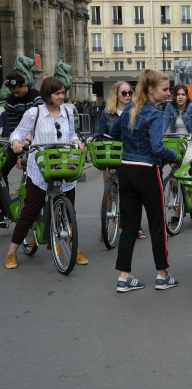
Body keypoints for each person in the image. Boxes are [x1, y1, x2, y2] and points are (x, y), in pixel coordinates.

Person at [5, 77, 88, 269]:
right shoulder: (34, 113)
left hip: (64, 165)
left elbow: (72, 135)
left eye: (63, 93)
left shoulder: (67, 113)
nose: (62, 96)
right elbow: (17, 133)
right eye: (57, 93)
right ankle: (11, 252)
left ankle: (72, 248)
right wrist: (16, 143)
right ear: (47, 94)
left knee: (68, 212)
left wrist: (77, 143)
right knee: (30, 211)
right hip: (40, 167)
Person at [109, 69, 179, 292]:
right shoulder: (155, 114)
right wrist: (175, 155)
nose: (168, 93)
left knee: (129, 226)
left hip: (126, 170)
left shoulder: (130, 108)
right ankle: (162, 274)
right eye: (165, 89)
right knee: (157, 224)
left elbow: (114, 132)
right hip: (147, 170)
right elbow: (157, 148)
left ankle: (124, 277)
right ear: (151, 89)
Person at [86, 81, 147, 240]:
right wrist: (90, 138)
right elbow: (100, 132)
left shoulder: (136, 111)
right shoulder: (107, 113)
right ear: (116, 95)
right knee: (109, 192)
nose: (128, 96)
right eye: (124, 93)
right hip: (111, 155)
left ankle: (136, 228)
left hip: (130, 156)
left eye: (130, 92)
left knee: (133, 195)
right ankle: (105, 229)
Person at [1, 71, 44, 222]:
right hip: (19, 139)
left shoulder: (36, 97)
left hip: (36, 138)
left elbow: (38, 122)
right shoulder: (11, 100)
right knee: (2, 169)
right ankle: (4, 208)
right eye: (14, 93)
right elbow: (14, 126)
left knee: (35, 173)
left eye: (18, 91)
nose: (16, 95)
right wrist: (17, 148)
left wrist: (27, 141)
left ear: (24, 85)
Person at [162, 84, 192, 221]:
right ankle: (176, 211)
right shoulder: (169, 107)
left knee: (191, 173)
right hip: (176, 143)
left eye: (183, 94)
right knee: (175, 178)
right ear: (174, 96)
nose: (180, 97)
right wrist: (158, 135)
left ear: (187, 96)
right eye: (178, 94)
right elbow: (164, 123)